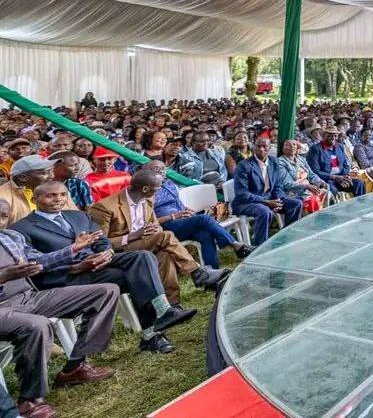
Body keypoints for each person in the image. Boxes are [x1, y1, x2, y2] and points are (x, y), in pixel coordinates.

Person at [11, 182, 194, 355]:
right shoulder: (22, 228)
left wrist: (106, 253)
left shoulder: (78, 216)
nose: (58, 199)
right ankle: (152, 333)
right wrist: (75, 267)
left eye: (62, 195)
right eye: (51, 196)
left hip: (98, 266)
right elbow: (33, 266)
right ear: (35, 200)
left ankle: (162, 312)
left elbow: (101, 239)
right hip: (67, 279)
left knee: (143, 257)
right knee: (138, 275)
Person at [0, 197, 117, 418]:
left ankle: (75, 366)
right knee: (38, 326)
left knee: (106, 291)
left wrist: (73, 249)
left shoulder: (10, 237)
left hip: (29, 297)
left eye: (3, 216)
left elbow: (41, 261)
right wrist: (3, 276)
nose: (0, 221)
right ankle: (30, 399)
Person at [88, 169, 229, 304]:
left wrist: (155, 229)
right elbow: (100, 243)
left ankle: (172, 303)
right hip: (120, 251)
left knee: (164, 255)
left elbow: (156, 226)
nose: (160, 189)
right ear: (145, 189)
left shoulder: (148, 199)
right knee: (166, 236)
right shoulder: (104, 207)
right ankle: (197, 272)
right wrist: (132, 236)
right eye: (158, 187)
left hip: (145, 243)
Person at [148, 161, 252, 268]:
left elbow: (179, 204)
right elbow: (150, 222)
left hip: (184, 221)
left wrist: (187, 210)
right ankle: (236, 245)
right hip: (168, 227)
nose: (161, 172)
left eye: (163, 169)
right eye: (157, 169)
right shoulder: (147, 193)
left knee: (206, 235)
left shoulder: (170, 184)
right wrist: (174, 216)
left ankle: (213, 274)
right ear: (146, 172)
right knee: (203, 219)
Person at [232, 137, 303, 246]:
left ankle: (286, 238)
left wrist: (278, 199)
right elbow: (242, 193)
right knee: (264, 211)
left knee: (296, 204)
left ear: (269, 148)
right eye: (258, 146)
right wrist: (266, 202)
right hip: (246, 202)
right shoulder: (244, 166)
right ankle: (260, 246)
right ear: (253, 148)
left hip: (269, 199)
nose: (261, 149)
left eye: (264, 146)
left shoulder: (274, 161)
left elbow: (277, 184)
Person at [0, 156, 77, 224]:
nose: (52, 176)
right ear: (23, 178)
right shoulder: (3, 197)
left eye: (51, 171)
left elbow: (75, 216)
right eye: (46, 172)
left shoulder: (58, 190)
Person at [306, 126, 363, 198]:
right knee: (332, 190)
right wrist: (335, 177)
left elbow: (346, 163)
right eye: (329, 135)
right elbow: (314, 171)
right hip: (326, 179)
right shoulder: (315, 149)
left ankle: (361, 206)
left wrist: (345, 176)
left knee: (358, 183)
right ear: (323, 136)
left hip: (341, 177)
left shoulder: (340, 146)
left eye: (335, 136)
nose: (333, 138)